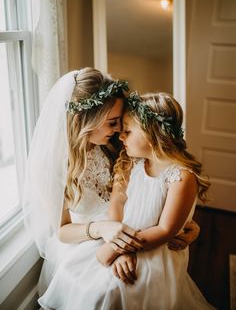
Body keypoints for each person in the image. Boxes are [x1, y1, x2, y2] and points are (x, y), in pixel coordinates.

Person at [23, 68, 200, 309]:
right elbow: (63, 231)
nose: (118, 131)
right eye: (112, 122)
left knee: (142, 284)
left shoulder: (114, 144)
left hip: (135, 226)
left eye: (120, 124)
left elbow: (152, 189)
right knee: (108, 291)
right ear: (87, 120)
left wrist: (188, 225)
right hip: (86, 236)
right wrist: (105, 231)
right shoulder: (49, 164)